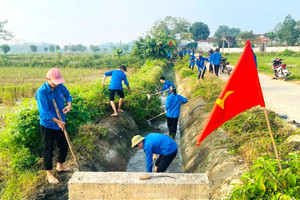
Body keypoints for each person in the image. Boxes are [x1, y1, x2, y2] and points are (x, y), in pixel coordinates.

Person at [36, 68, 72, 184]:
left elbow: (67, 95)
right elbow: (44, 112)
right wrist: (57, 121)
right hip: (48, 124)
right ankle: (49, 174)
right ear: (47, 79)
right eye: (54, 82)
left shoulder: (60, 87)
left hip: (60, 121)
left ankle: (60, 166)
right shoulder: (41, 92)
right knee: (48, 148)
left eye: (58, 82)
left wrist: (69, 104)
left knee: (63, 144)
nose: (57, 85)